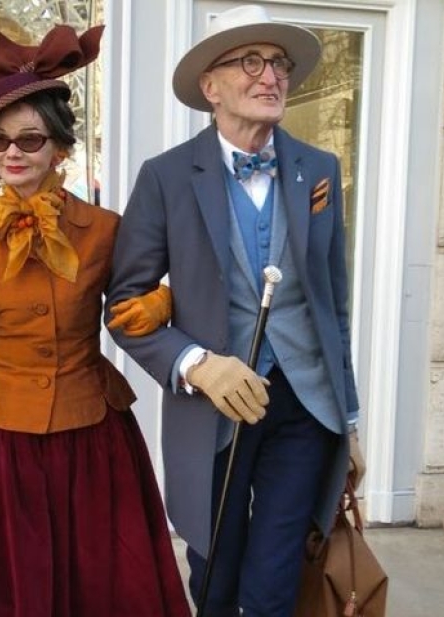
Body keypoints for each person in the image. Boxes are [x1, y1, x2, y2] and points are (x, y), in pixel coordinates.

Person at [0, 24, 190, 617]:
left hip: (91, 439)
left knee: (101, 588)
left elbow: (141, 298)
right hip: (1, 447)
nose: (12, 153)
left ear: (60, 149)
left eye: (30, 139)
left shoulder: (107, 230)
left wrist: (163, 301)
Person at [105, 5, 366, 616]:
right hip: (214, 409)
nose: (270, 76)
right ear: (211, 86)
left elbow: (335, 307)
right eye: (250, 61)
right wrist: (196, 364)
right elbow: (124, 306)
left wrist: (349, 419)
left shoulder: (319, 170)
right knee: (215, 572)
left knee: (276, 572)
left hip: (305, 406)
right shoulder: (166, 177)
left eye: (278, 63)